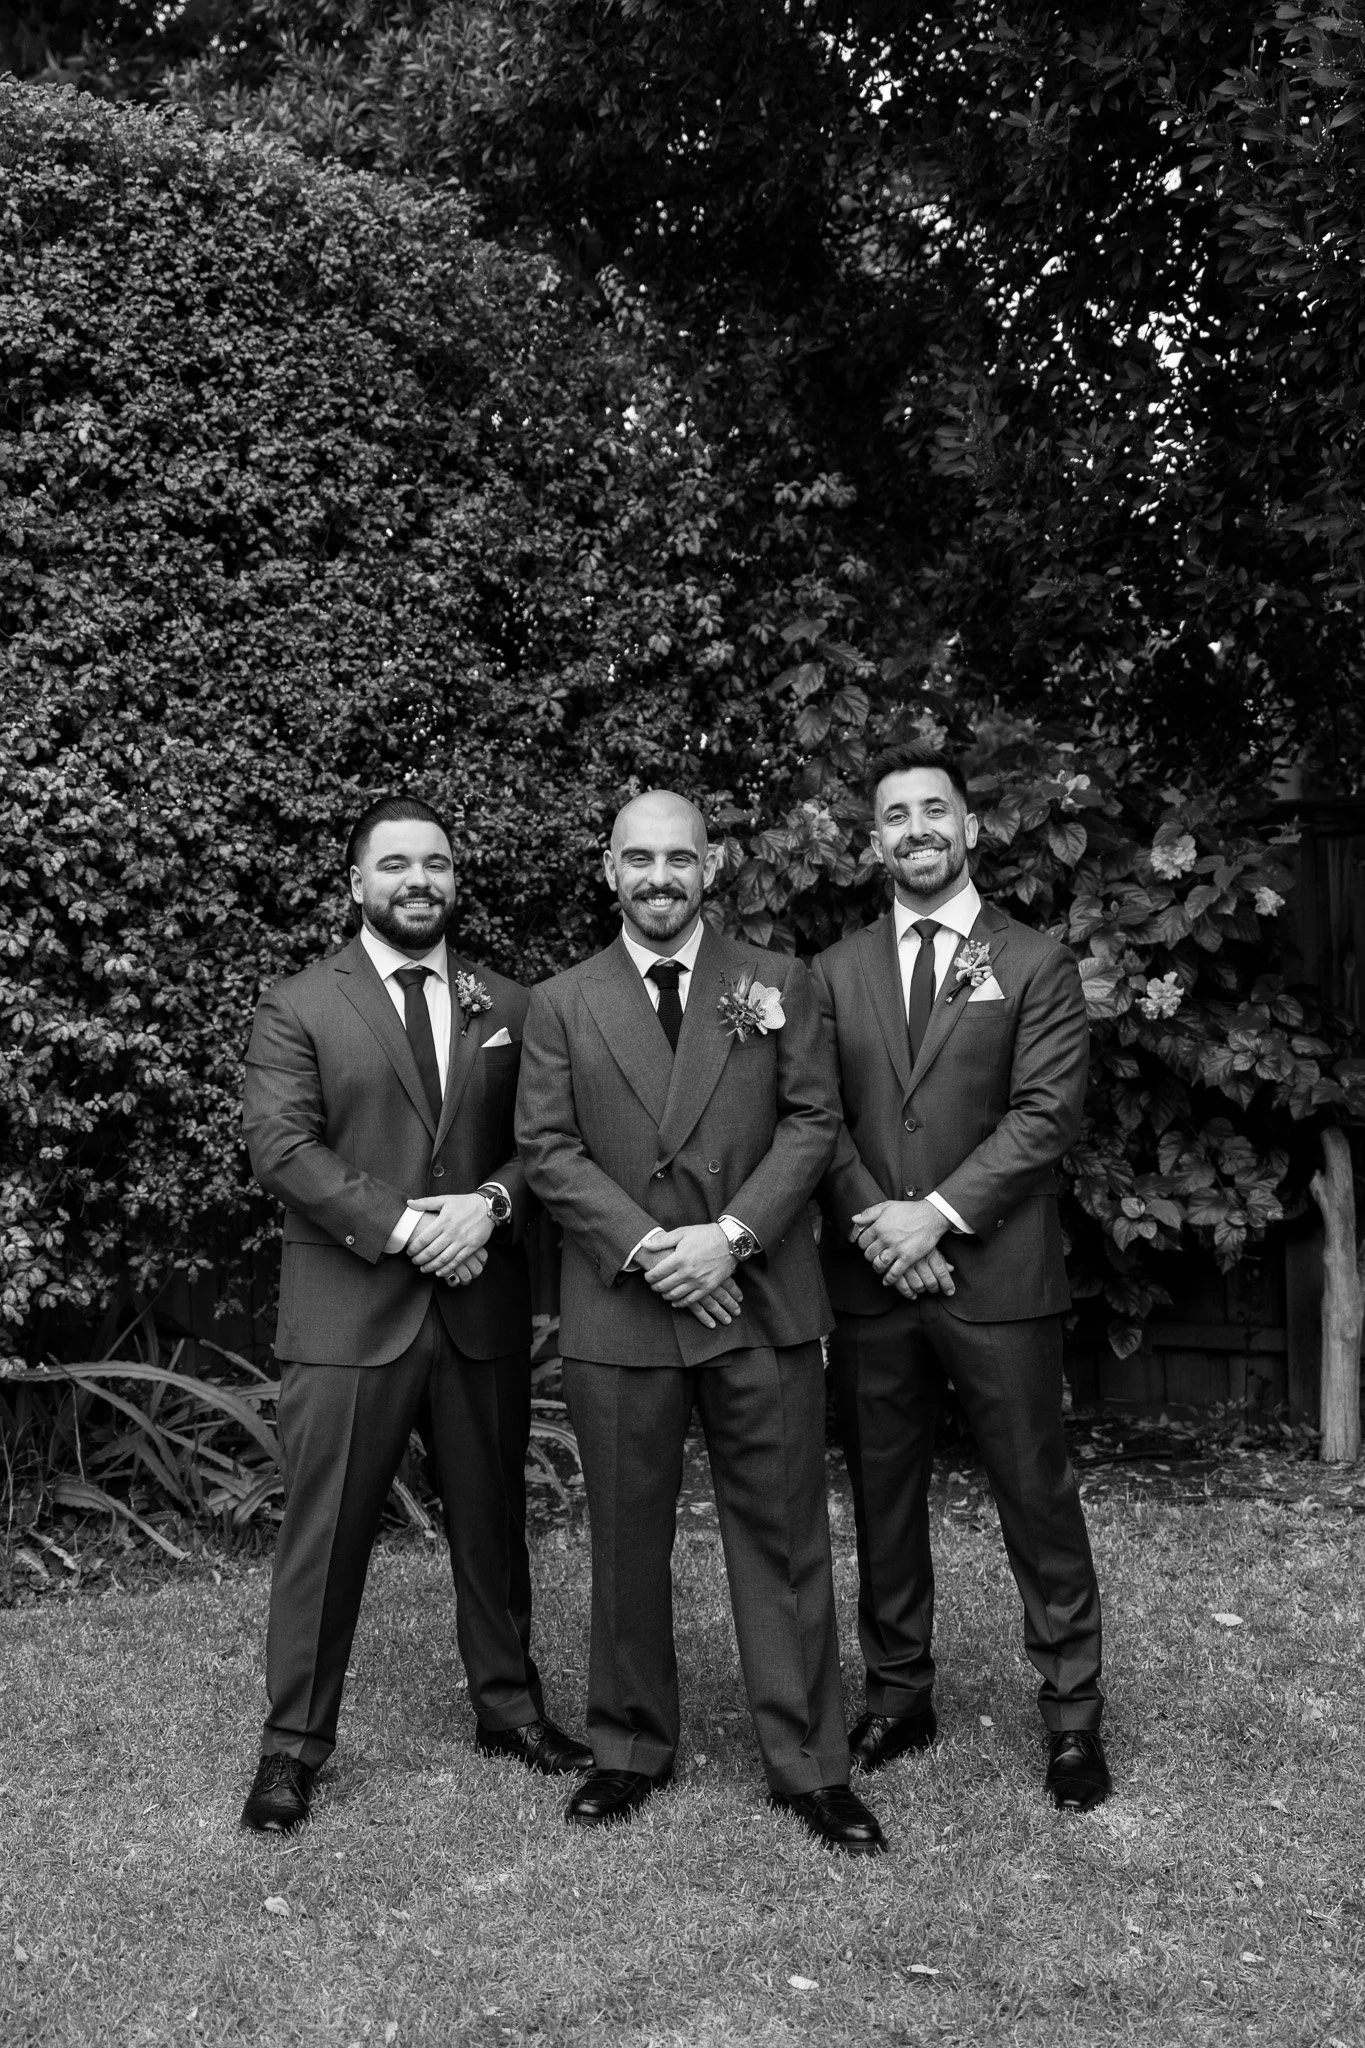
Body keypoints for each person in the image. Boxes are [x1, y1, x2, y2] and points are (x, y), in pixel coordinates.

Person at [515, 790, 884, 1854]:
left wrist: (730, 1236)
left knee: (783, 1534)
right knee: (624, 1536)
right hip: (624, 1301)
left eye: (678, 858)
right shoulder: (562, 1001)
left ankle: (809, 1762)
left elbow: (812, 1121)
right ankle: (629, 1745)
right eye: (639, 859)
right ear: (609, 869)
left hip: (758, 1296)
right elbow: (548, 1149)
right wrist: (655, 1251)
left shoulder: (777, 980)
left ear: (711, 865)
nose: (659, 877)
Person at [238, 794, 589, 1833]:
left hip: (480, 1310)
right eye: (394, 864)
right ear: (357, 883)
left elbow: (547, 1141)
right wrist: (403, 1226)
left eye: (434, 862)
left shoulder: (511, 1004)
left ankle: (509, 1711)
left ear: (454, 877)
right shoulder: (299, 1003)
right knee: (326, 1535)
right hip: (350, 1315)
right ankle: (293, 1746)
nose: (418, 880)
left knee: (493, 1524)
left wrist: (492, 1206)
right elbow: (282, 1147)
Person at [813, 741, 1110, 1811]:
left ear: (971, 827)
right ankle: (899, 1694)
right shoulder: (831, 972)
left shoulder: (1034, 963)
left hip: (999, 1280)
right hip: (872, 1283)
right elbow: (818, 1119)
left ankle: (1071, 1716)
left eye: (934, 810)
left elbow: (1044, 1116)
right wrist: (879, 1228)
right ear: (874, 842)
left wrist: (930, 1217)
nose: (917, 831)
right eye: (895, 816)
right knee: (883, 1495)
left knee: (1036, 1493)